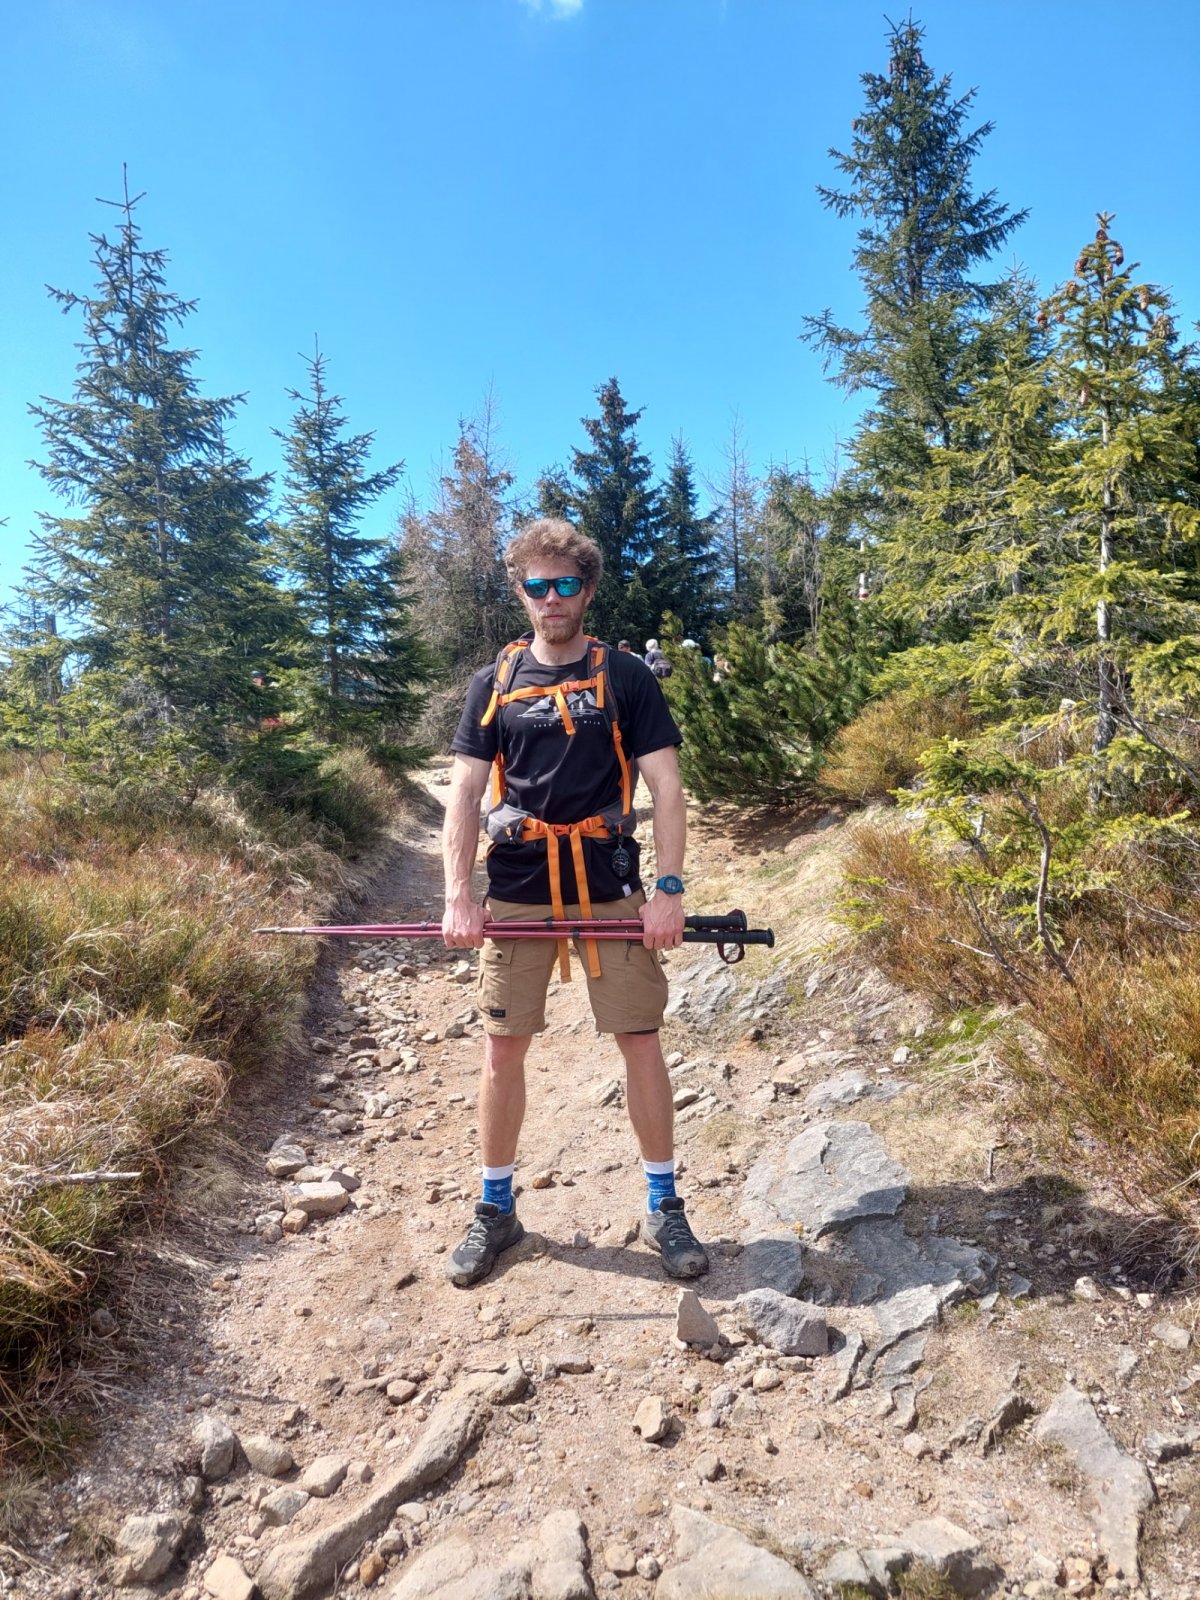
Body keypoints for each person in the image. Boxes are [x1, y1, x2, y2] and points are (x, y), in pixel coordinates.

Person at [441, 518, 708, 1288]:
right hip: (518, 887)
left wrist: (668, 890)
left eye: (565, 584)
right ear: (520, 591)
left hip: (610, 885)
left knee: (639, 1040)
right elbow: (464, 794)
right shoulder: (493, 683)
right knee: (502, 1048)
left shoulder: (626, 677)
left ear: (587, 591)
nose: (551, 598)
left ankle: (663, 1204)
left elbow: (666, 787)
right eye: (537, 584)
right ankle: (496, 1209)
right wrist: (458, 895)